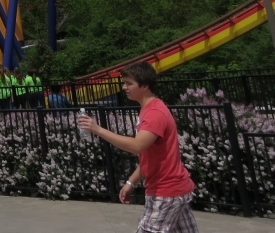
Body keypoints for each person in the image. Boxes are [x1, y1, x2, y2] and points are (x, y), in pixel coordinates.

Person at [78, 62, 197, 233]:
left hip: (165, 192)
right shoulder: (149, 109)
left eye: (129, 83)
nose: (124, 87)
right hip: (176, 189)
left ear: (145, 85)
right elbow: (151, 156)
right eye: (124, 82)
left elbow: (137, 146)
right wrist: (131, 182)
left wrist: (97, 129)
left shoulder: (154, 113)